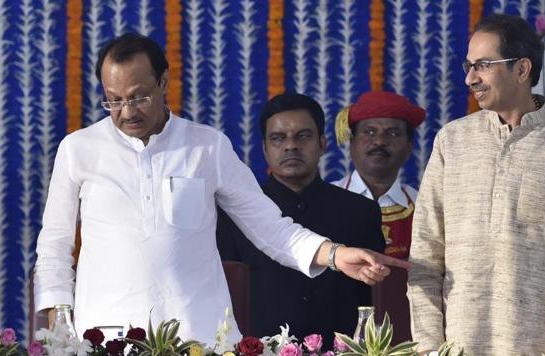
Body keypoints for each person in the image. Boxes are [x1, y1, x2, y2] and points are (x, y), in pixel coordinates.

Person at [33, 33, 409, 346]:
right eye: (114, 100)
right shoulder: (78, 149)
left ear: (163, 82)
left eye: (138, 96)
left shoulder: (206, 147)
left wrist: (334, 254)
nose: (126, 111)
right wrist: (58, 329)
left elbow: (268, 226)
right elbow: (54, 245)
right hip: (106, 338)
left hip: (197, 338)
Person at [408, 14, 545, 355]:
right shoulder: (453, 141)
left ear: (522, 70)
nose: (469, 78)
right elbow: (426, 255)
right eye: (468, 65)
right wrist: (429, 347)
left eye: (483, 65)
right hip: (457, 347)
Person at [216, 93, 385, 343]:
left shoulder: (360, 211)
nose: (290, 145)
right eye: (278, 138)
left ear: (323, 143)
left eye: (303, 136)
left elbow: (371, 298)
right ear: (264, 148)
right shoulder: (235, 213)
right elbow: (226, 293)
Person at [332, 91, 426, 260]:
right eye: (369, 132)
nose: (379, 141)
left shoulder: (423, 206)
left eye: (393, 133)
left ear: (409, 146)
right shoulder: (325, 199)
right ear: (351, 142)